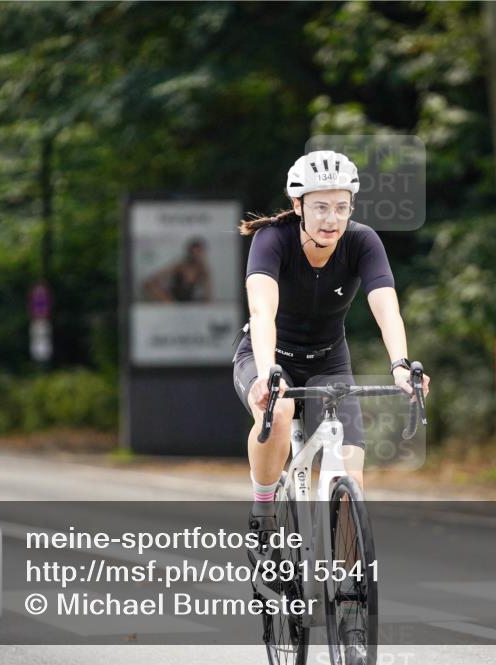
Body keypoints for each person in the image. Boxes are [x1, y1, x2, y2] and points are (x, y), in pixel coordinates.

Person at [233, 150, 429, 659]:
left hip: (329, 362)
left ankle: (348, 601)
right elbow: (262, 310)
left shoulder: (363, 242)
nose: (332, 219)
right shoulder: (271, 240)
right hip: (267, 355)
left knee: (350, 481)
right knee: (277, 412)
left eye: (342, 207)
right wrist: (268, 371)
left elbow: (386, 307)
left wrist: (400, 365)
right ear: (298, 204)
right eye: (321, 207)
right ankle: (263, 511)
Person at [141, 237, 213, 303]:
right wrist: (165, 298)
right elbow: (151, 280)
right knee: (150, 285)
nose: (196, 256)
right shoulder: (180, 266)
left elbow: (208, 293)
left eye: (198, 253)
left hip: (188, 301)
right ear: (189, 253)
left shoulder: (203, 270)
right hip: (172, 300)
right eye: (194, 253)